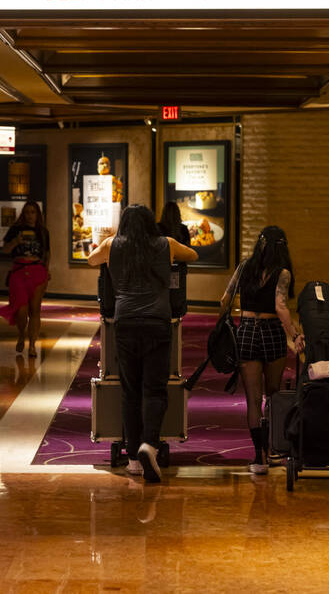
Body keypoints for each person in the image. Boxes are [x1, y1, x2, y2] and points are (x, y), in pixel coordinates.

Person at [87, 204, 198, 483]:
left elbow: (91, 259)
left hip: (124, 324)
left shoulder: (113, 245)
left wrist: (101, 243)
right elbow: (193, 254)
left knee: (130, 392)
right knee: (155, 390)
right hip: (158, 323)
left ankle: (134, 459)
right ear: (151, 223)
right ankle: (150, 443)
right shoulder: (166, 244)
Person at [221, 226, 306, 475]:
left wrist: (222, 328)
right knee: (272, 395)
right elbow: (281, 307)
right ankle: (271, 451)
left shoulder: (244, 267)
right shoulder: (283, 273)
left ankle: (257, 457)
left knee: (253, 400)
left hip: (246, 331)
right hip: (271, 333)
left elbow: (224, 299)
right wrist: (295, 335)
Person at [0, 201, 50, 356]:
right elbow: (5, 249)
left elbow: (47, 253)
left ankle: (32, 345)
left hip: (37, 270)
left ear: (37, 214)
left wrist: (47, 270)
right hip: (19, 271)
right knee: (21, 310)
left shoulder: (43, 231)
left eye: (33, 212)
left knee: (35, 310)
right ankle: (21, 334)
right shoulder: (15, 230)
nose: (30, 216)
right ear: (23, 214)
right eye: (27, 212)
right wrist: (15, 241)